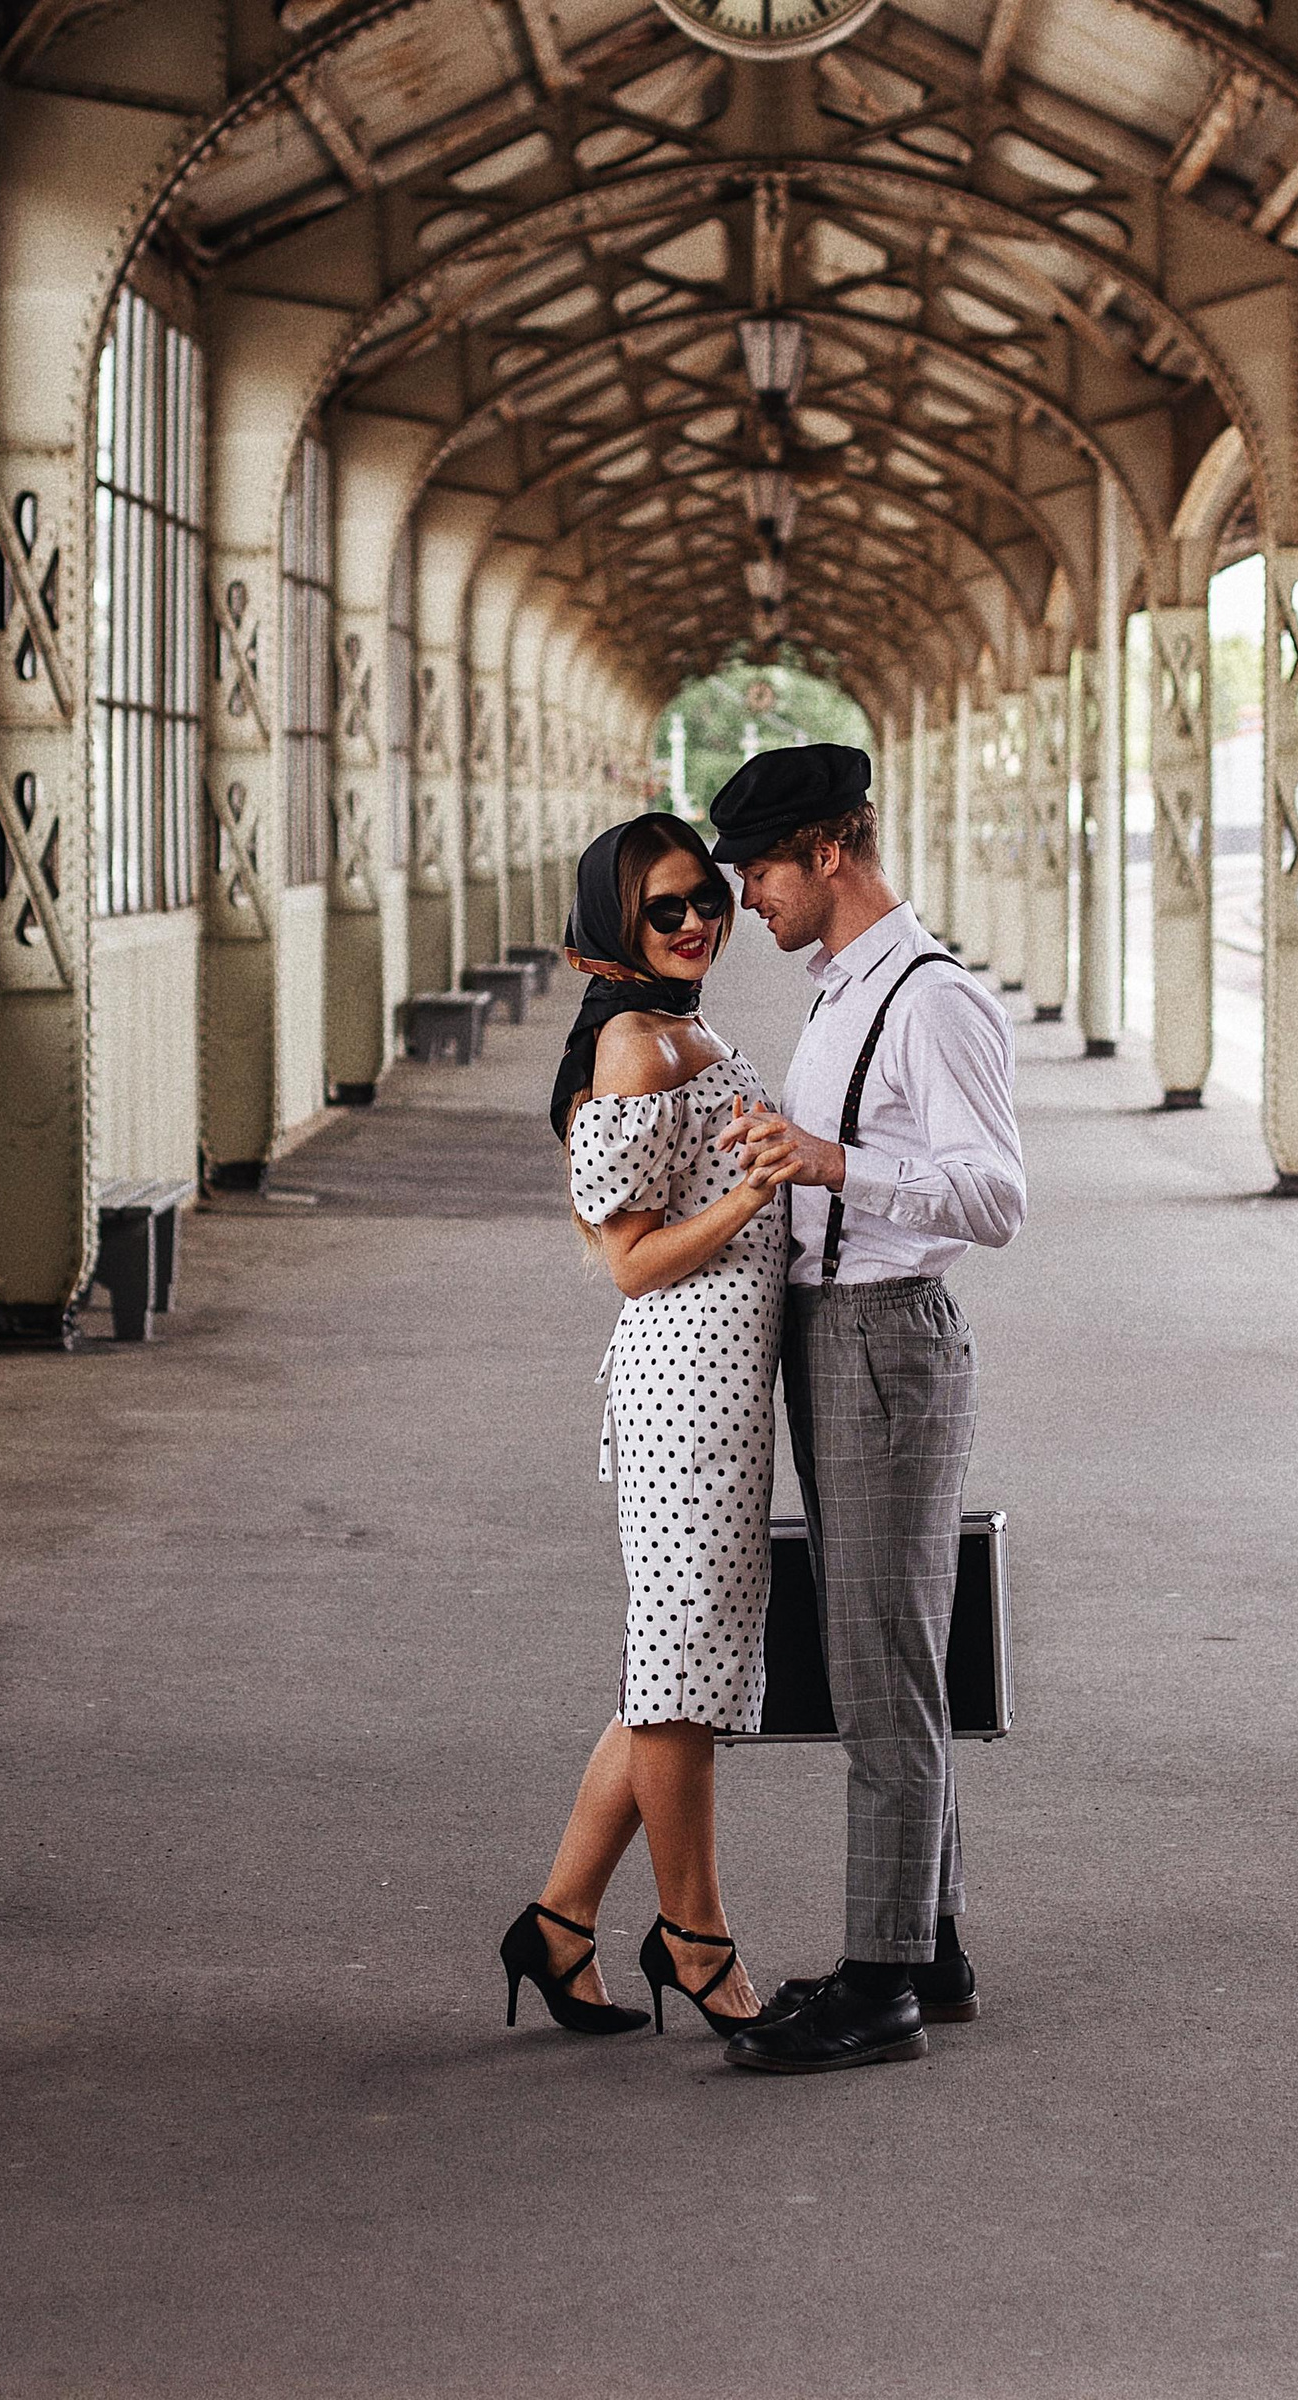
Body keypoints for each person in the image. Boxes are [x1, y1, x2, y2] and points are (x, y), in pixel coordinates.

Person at [711, 742, 1026, 2076]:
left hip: (886, 1343)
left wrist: (835, 1163)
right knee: (882, 1646)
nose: (747, 900)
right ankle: (930, 1940)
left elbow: (995, 1197)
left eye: (762, 870)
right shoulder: (846, 993)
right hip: (833, 1336)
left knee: (879, 1662)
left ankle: (885, 1975)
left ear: (832, 851)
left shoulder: (932, 1000)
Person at [499, 812, 787, 2042]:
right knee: (681, 1687)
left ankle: (559, 1926)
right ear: (617, 924)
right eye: (664, 909)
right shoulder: (630, 1045)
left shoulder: (683, 1026)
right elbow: (629, 1262)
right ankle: (697, 1937)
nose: (693, 924)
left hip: (721, 1390)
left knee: (670, 1674)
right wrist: (759, 1192)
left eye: (704, 900)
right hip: (684, 1394)